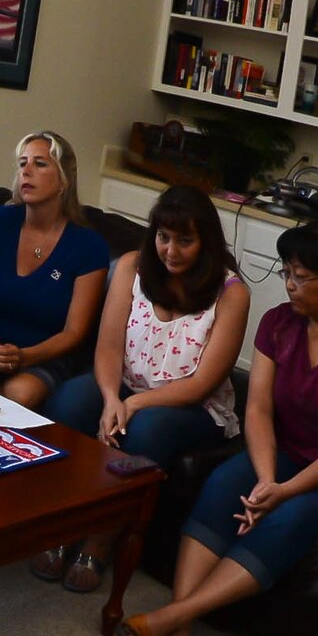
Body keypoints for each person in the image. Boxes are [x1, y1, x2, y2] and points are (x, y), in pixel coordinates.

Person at [116, 217, 318, 636]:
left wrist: (283, 493)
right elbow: (259, 409)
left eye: (301, 277)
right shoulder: (278, 323)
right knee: (225, 482)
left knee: (292, 516)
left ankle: (170, 618)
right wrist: (267, 480)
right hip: (283, 454)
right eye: (286, 272)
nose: (289, 285)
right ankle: (181, 630)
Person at [40, 186, 249, 591]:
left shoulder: (232, 293)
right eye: (163, 237)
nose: (170, 250)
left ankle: (101, 540)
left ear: (206, 242)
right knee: (68, 402)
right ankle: (64, 523)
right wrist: (110, 398)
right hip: (124, 384)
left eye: (185, 241)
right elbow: (108, 347)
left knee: (148, 428)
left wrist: (133, 404)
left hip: (193, 405)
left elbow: (202, 383)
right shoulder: (131, 266)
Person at [0, 132, 108, 407]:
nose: (26, 171)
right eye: (22, 163)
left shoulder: (89, 247)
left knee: (20, 394)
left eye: (40, 164)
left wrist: (25, 356)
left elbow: (74, 332)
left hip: (43, 355)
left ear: (64, 180)